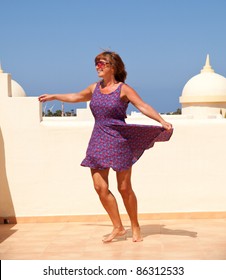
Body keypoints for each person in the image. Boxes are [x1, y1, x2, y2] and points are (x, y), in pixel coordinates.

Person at [39, 51, 173, 243]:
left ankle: (135, 225)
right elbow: (76, 96)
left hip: (119, 140)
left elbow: (142, 106)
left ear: (113, 67)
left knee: (124, 188)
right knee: (99, 187)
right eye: (96, 64)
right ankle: (118, 227)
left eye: (102, 64)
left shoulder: (123, 89)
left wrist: (162, 120)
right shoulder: (94, 88)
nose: (98, 67)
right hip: (98, 139)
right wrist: (54, 96)